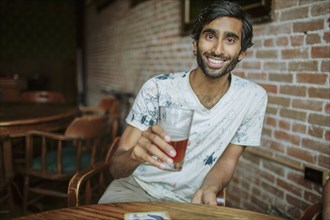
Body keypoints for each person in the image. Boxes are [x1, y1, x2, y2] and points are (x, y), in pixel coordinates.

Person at [99, 0, 268, 205]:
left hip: (189, 201)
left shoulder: (252, 98)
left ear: (242, 53)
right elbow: (116, 169)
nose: (217, 48)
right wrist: (135, 155)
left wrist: (210, 188)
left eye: (230, 40)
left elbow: (228, 160)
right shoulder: (158, 88)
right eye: (210, 36)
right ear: (195, 45)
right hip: (135, 189)